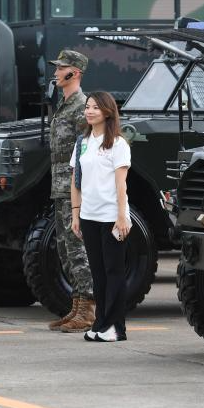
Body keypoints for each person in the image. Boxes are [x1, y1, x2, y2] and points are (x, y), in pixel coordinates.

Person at [70, 91, 131, 343]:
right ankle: (101, 322)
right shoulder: (83, 142)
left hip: (111, 216)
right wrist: (76, 214)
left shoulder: (118, 144)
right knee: (98, 273)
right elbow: (76, 181)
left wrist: (121, 216)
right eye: (87, 107)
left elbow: (121, 185)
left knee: (114, 271)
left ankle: (115, 327)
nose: (89, 111)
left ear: (107, 111)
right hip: (89, 215)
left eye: (95, 107)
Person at [46, 49, 95, 333]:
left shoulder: (81, 107)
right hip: (60, 186)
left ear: (73, 73)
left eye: (60, 68)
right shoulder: (64, 105)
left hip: (74, 187)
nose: (55, 73)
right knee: (66, 248)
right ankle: (77, 306)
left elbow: (85, 152)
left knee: (77, 248)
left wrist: (80, 189)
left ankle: (88, 310)